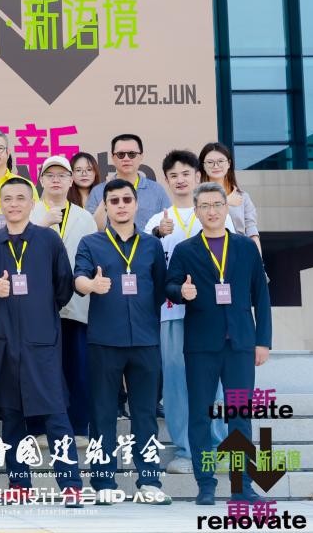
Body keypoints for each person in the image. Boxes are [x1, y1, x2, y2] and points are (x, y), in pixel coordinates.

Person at [0, 177, 84, 506]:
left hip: (42, 341)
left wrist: (40, 309)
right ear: (1, 203)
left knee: (55, 415)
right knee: (12, 418)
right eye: (8, 198)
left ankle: (71, 484)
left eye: (21, 198)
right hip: (5, 342)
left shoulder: (48, 239)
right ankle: (19, 482)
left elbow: (63, 284)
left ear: (32, 203)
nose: (14, 204)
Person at [166, 181, 272, 506]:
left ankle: (242, 486)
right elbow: (169, 286)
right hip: (201, 347)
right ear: (196, 212)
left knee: (239, 415)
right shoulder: (185, 250)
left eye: (217, 205)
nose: (211, 211)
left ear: (226, 208)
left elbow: (261, 296)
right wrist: (180, 292)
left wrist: (263, 341)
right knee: (200, 415)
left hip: (240, 345)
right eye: (205, 206)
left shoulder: (245, 248)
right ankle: (205, 485)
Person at [73, 179, 170, 505]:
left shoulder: (151, 245)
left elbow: (159, 289)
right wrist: (91, 285)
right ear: (106, 206)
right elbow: (79, 278)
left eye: (126, 199)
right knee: (102, 414)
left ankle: (150, 481)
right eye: (113, 201)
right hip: (104, 339)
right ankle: (103, 482)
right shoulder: (91, 243)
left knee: (145, 414)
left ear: (136, 204)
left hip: (145, 339)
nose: (121, 205)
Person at [146, 151, 232, 475]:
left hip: (211, 314)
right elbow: (144, 264)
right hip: (171, 313)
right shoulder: (156, 221)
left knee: (215, 381)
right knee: (175, 383)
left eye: (186, 173)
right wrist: (156, 236)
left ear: (198, 176)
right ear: (166, 181)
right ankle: (185, 450)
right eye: (174, 175)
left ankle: (219, 446)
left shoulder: (216, 212)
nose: (180, 180)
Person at [29, 156, 95, 442]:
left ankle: (78, 427)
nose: (56, 180)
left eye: (62, 175)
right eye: (50, 175)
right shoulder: (30, 213)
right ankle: (38, 429)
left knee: (77, 367)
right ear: (41, 180)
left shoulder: (84, 217)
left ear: (71, 181)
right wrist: (41, 225)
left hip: (76, 306)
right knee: (39, 370)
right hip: (38, 308)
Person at [87, 134, 171, 230]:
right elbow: (91, 229)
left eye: (132, 154)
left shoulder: (157, 190)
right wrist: (107, 194)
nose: (126, 158)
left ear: (141, 157)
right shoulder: (98, 191)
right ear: (113, 158)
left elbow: (168, 225)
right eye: (121, 154)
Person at [199, 142, 262, 252]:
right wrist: (227, 201)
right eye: (210, 162)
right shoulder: (197, 196)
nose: (216, 166)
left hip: (239, 252)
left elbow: (251, 232)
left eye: (220, 161)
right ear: (203, 166)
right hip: (207, 252)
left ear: (228, 164)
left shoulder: (243, 197)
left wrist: (258, 259)